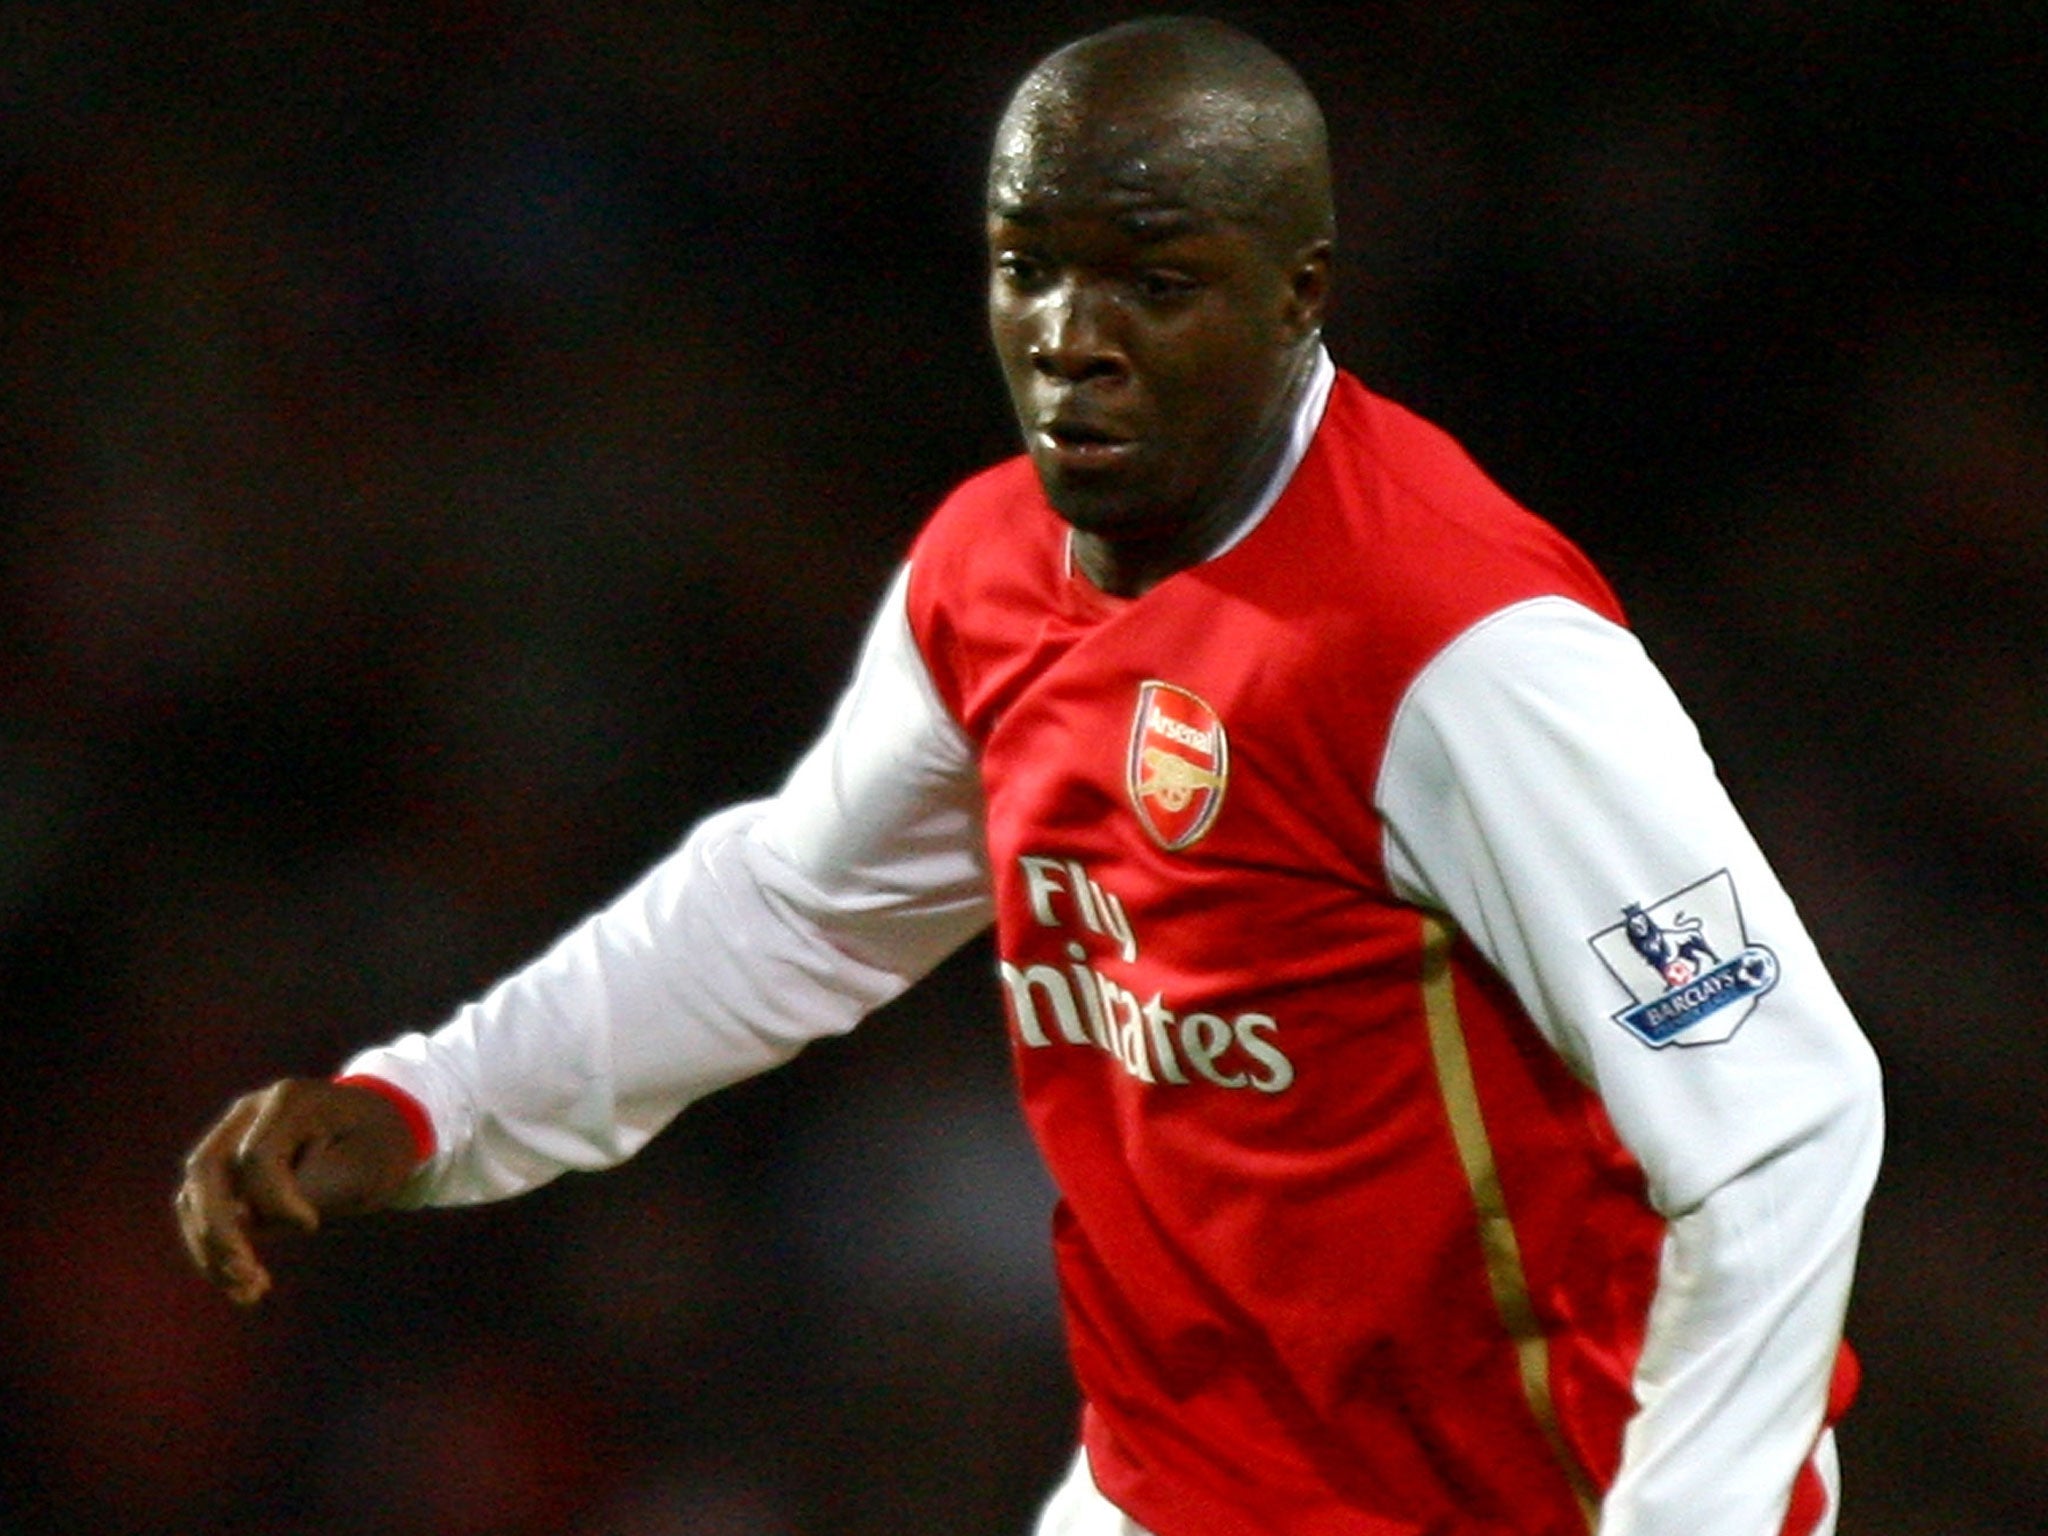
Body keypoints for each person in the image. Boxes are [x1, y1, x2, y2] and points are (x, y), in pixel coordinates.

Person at [175, 17, 1883, 1536]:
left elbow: (1785, 1118)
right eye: (1027, 267)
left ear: (1300, 294)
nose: (1071, 337)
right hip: (1175, 1489)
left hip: (1529, 1500)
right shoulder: (993, 571)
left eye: (1150, 280)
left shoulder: (1453, 645)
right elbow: (795, 910)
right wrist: (432, 1105)